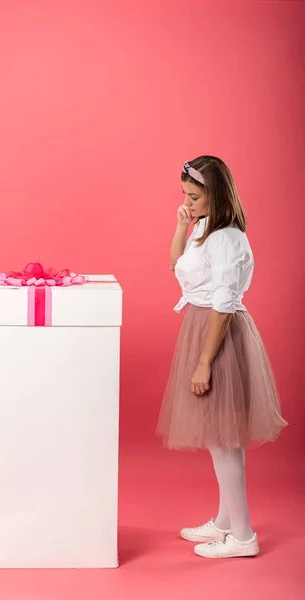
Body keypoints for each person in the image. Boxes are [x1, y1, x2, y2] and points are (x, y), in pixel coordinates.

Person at [156, 156, 288, 559]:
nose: (187, 202)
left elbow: (225, 303)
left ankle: (243, 536)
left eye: (194, 197)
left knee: (223, 439)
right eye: (184, 195)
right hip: (200, 326)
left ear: (216, 194)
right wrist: (183, 225)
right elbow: (176, 265)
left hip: (218, 334)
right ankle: (227, 520)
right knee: (218, 435)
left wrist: (204, 362)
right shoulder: (204, 230)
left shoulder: (227, 238)